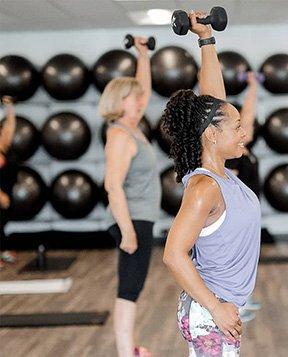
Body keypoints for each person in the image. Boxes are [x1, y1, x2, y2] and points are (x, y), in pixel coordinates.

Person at [161, 11, 261, 357]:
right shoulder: (205, 188)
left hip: (219, 308)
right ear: (213, 136)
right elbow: (173, 254)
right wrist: (216, 308)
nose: (244, 131)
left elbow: (215, 102)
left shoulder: (221, 175)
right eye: (237, 127)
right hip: (210, 312)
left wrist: (206, 39)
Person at [99, 36, 160, 357]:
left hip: (138, 217)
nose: (140, 102)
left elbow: (145, 89)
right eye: (133, 99)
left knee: (132, 289)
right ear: (118, 102)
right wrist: (127, 230)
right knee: (128, 290)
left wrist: (143, 55)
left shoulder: (132, 127)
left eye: (139, 99)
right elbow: (112, 185)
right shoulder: (120, 135)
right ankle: (126, 353)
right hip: (131, 219)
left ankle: (129, 349)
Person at [225, 72, 262, 322]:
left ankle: (243, 300)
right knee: (235, 261)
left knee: (245, 260)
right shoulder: (233, 155)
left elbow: (248, 115)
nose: (245, 128)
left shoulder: (243, 148)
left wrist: (252, 87)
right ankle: (236, 306)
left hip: (246, 216)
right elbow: (228, 188)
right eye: (238, 127)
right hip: (236, 217)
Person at [0, 96, 18, 269]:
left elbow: (10, 125)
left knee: (2, 221)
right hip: (1, 192)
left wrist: (9, 107)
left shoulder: (3, 145)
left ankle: (3, 250)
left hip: (7, 190)